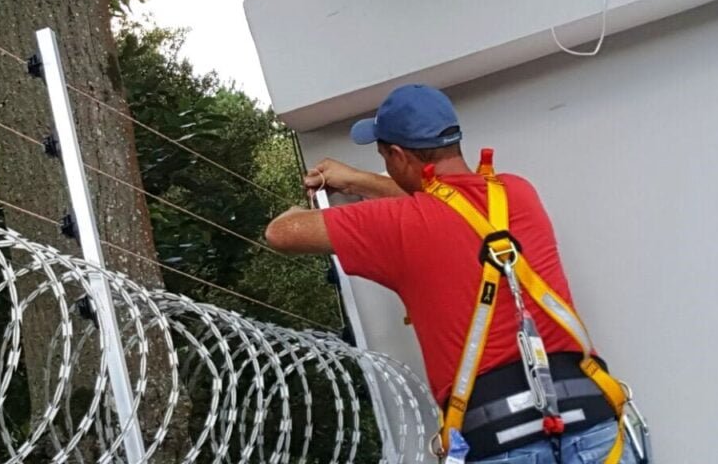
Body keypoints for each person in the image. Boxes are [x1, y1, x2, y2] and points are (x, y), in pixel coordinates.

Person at [264, 84, 636, 464]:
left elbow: (281, 232)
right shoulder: (518, 193)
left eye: (385, 158)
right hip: (594, 422)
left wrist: (323, 196)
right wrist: (361, 180)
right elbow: (449, 203)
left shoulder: (398, 225)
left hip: (498, 440)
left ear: (396, 155)